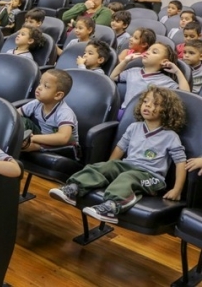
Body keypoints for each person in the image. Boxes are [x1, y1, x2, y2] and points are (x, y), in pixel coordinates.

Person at [49, 86, 186, 224]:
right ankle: (74, 188)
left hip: (152, 177)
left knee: (128, 177)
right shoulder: (134, 127)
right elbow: (120, 148)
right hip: (128, 166)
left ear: (167, 111)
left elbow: (181, 162)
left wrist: (177, 189)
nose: (148, 105)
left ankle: (112, 207)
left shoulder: (170, 136)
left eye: (155, 104)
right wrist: (109, 168)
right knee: (105, 167)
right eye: (146, 101)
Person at [111, 43, 190, 119]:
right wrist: (125, 61)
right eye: (148, 50)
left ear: (164, 61)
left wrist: (177, 72)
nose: (148, 52)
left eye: (154, 52)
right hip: (124, 112)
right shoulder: (133, 71)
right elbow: (113, 77)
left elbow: (186, 95)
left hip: (145, 117)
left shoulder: (165, 81)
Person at [19, 70, 79, 155]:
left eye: (46, 86)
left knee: (26, 146)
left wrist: (33, 138)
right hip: (43, 137)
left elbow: (63, 138)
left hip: (66, 147)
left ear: (58, 95)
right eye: (40, 83)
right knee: (21, 120)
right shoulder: (36, 103)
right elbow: (14, 115)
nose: (39, 87)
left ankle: (31, 147)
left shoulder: (64, 112)